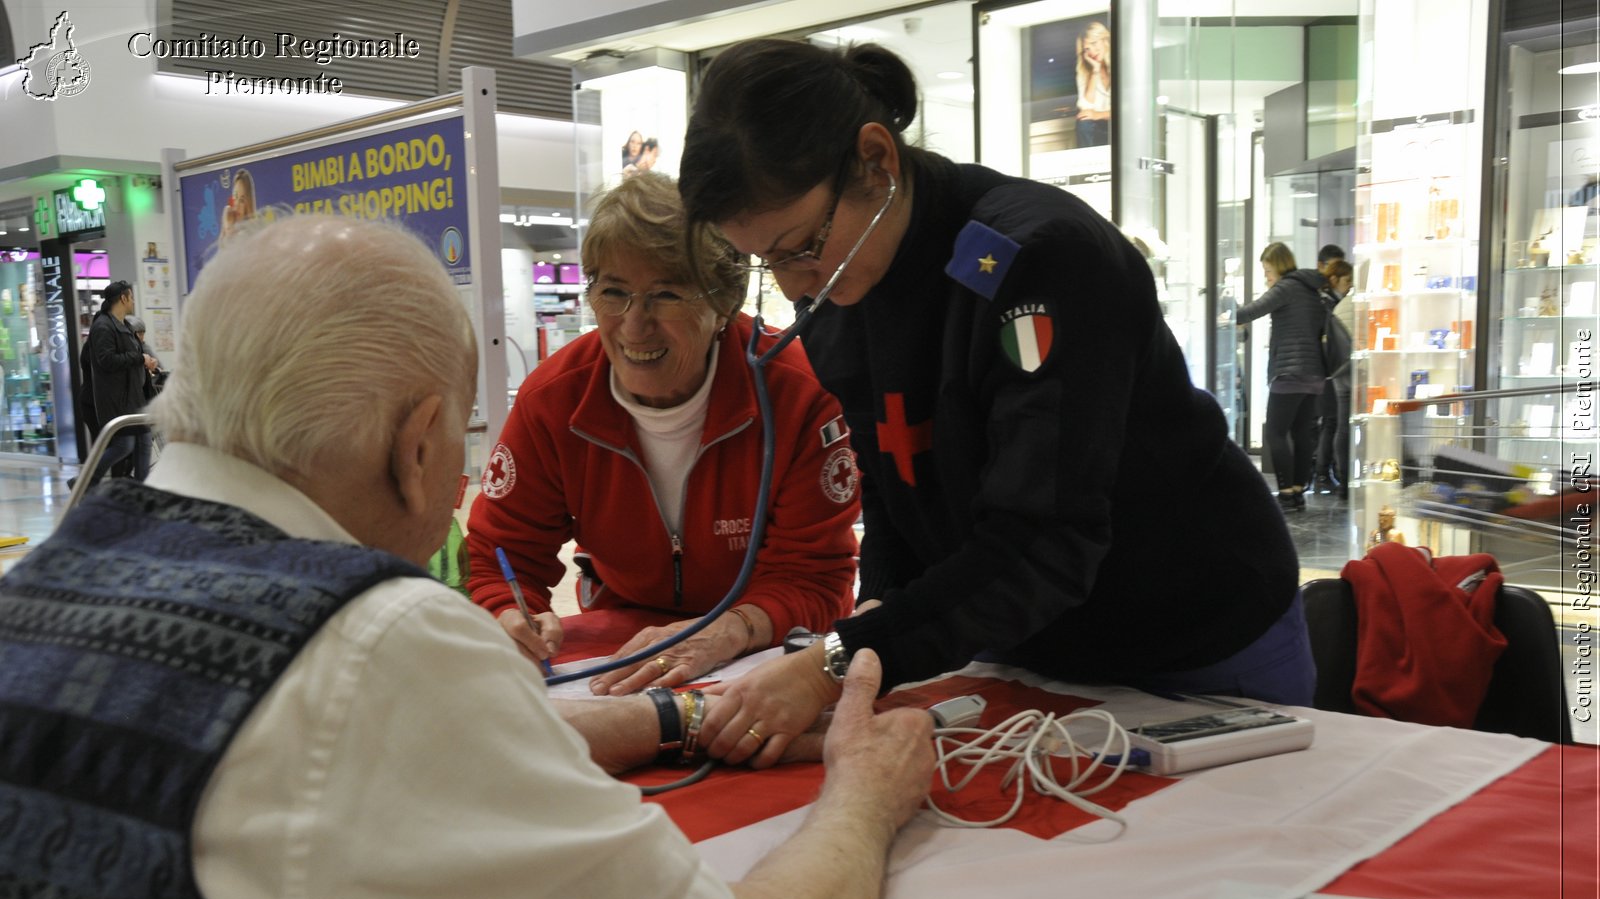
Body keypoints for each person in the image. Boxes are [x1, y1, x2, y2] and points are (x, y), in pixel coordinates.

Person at [0, 214, 935, 899]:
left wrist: (679, 716)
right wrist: (866, 790)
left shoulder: (37, 589)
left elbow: (357, 753)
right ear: (417, 450)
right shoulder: (368, 639)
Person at [677, 39, 1308, 769]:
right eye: (766, 262)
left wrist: (839, 659)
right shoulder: (842, 294)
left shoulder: (1039, 262)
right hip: (1028, 644)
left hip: (1198, 634)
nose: (792, 285)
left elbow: (1045, 537)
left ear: (876, 160)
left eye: (800, 246)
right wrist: (876, 628)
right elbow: (892, 494)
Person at [468, 172, 860, 694]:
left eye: (666, 294)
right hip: (623, 642)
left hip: (763, 648)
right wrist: (508, 613)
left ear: (724, 302)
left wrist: (728, 632)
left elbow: (815, 578)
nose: (634, 324)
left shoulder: (798, 392)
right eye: (613, 292)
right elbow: (501, 555)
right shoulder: (553, 400)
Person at [1235, 242, 1329, 511]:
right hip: (1314, 374)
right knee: (1301, 433)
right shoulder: (1311, 289)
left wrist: (1227, 312)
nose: (1267, 277)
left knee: (1275, 432)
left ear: (1278, 265)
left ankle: (1286, 492)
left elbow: (1253, 310)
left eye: (1267, 271)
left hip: (1289, 372)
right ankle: (1298, 490)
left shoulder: (1286, 287)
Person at [80, 278, 157, 485]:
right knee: (124, 446)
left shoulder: (122, 325)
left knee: (143, 442)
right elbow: (106, 360)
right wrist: (139, 359)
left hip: (133, 395)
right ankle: (84, 481)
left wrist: (145, 360)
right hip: (117, 398)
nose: (133, 302)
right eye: (131, 297)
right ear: (123, 299)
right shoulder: (103, 327)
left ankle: (142, 491)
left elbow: (133, 353)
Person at [1314, 259, 1354, 497]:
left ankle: (1337, 476)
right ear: (1334, 279)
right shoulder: (1333, 305)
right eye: (1346, 280)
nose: (1349, 286)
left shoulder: (1334, 304)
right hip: (1344, 369)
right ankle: (1330, 474)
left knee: (1336, 424)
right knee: (1335, 423)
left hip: (1334, 371)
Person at [1074, 21, 1112, 148]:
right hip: (1098, 126)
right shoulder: (1083, 71)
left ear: (1104, 40)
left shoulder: (1121, 63)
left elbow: (1129, 110)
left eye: (1094, 43)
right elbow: (1086, 107)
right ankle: (1088, 166)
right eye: (1087, 49)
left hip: (1120, 123)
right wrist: (1095, 71)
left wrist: (1098, 115)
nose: (1092, 51)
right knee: (1083, 123)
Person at [220, 167, 256, 240]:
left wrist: (228, 229)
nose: (237, 204)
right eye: (235, 196)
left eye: (242, 200)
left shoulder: (248, 234)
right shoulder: (232, 225)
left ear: (248, 204)